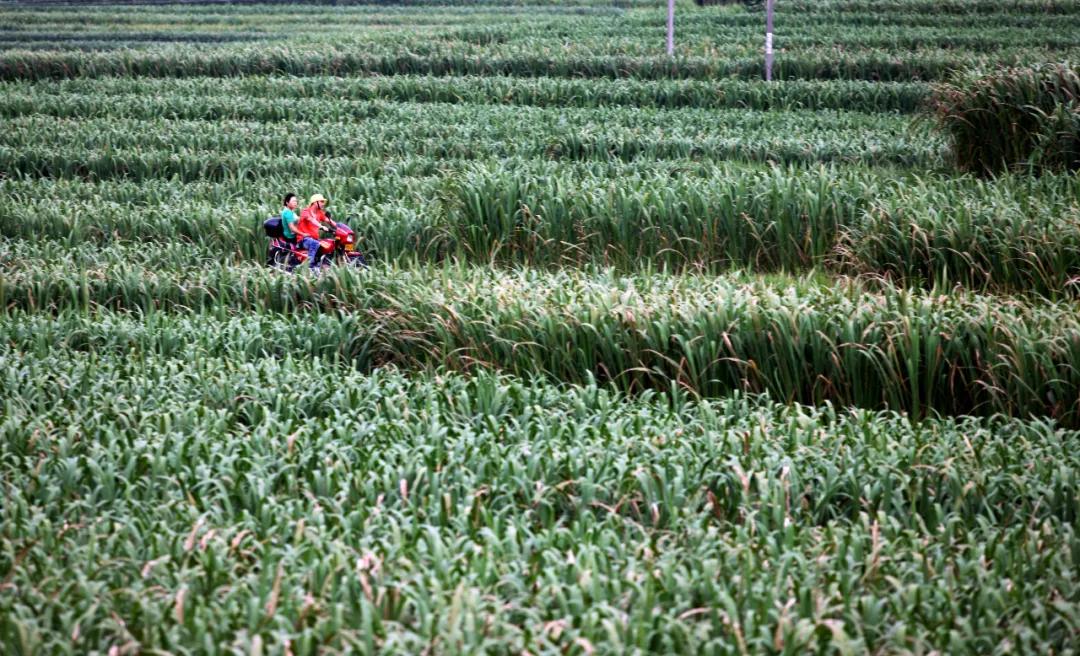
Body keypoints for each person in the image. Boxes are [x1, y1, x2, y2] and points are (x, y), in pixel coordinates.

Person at [294, 193, 335, 272]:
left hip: (314, 239)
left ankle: (321, 264)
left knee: (328, 244)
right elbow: (311, 220)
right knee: (314, 243)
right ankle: (309, 267)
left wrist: (338, 227)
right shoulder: (305, 211)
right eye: (321, 201)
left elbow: (328, 220)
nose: (323, 204)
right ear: (315, 202)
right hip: (303, 240)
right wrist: (321, 226)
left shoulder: (319, 213)